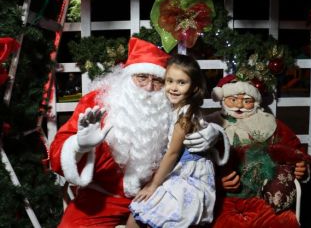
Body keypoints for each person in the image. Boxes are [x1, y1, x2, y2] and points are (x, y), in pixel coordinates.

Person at [49, 38, 220, 227]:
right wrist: (79, 146)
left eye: (157, 80)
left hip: (158, 193)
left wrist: (215, 135)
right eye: (142, 77)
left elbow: (193, 122)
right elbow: (57, 158)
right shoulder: (101, 101)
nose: (148, 87)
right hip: (105, 197)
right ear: (127, 77)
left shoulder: (169, 104)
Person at [127, 54, 229, 228]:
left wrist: (153, 185)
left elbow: (172, 153)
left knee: (141, 217)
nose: (174, 88)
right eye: (170, 81)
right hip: (179, 172)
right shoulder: (176, 107)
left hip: (189, 178)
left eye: (181, 82)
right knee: (136, 218)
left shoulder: (185, 114)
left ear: (194, 87)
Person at [206, 74, 311, 228]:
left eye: (247, 101)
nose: (240, 106)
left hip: (263, 197)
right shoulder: (210, 125)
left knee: (285, 222)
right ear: (223, 99)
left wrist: (302, 168)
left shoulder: (270, 123)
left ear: (255, 102)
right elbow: (192, 164)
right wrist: (214, 182)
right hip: (222, 198)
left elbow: (296, 151)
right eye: (233, 99)